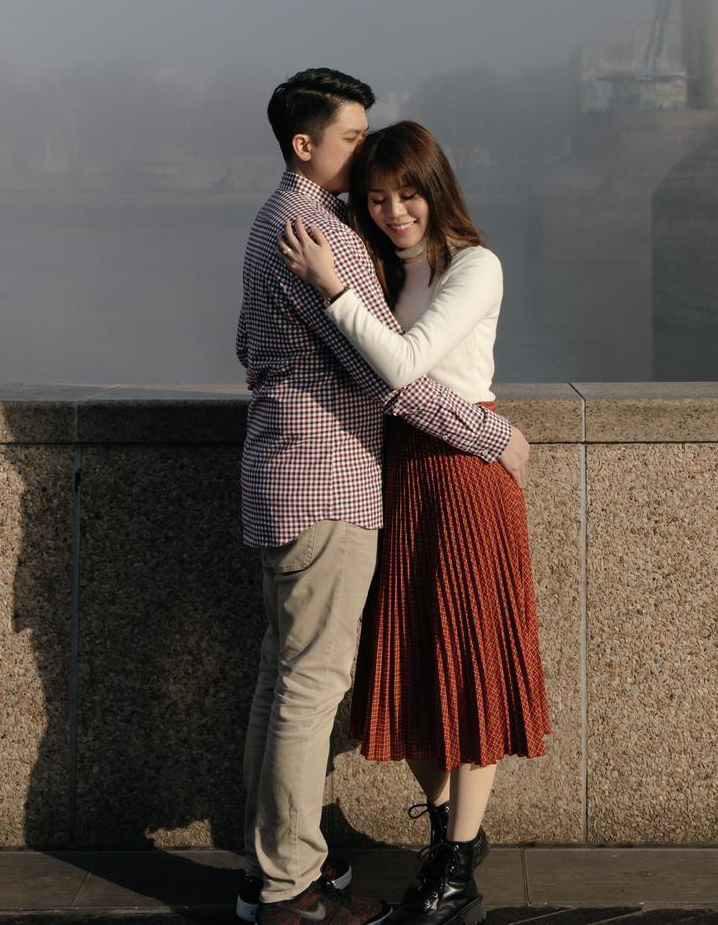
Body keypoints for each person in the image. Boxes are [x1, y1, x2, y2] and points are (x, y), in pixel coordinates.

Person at [237, 70, 530, 925]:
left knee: (284, 681)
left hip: (306, 475)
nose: (378, 186)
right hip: (333, 478)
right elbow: (395, 380)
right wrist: (495, 436)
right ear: (307, 145)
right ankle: (287, 881)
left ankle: (276, 871)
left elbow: (250, 346)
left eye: (404, 187)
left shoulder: (275, 223)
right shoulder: (318, 230)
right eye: (355, 142)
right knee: (307, 686)